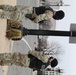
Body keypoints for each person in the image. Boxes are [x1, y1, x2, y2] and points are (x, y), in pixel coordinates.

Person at [0, 5, 65, 23]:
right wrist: (34, 20)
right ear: (58, 16)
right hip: (29, 14)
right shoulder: (50, 15)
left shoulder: (50, 8)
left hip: (29, 8)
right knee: (10, 15)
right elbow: (39, 18)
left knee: (13, 8)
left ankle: (1, 6)